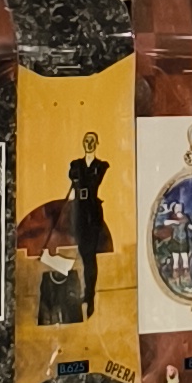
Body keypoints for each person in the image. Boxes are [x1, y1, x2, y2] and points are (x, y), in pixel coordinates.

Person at [66, 131, 110, 317]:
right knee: (85, 257)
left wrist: (80, 180)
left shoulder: (101, 165)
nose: (89, 143)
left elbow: (93, 183)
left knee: (90, 258)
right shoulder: (75, 164)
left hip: (92, 215)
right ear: (83, 143)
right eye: (86, 140)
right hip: (79, 215)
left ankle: (89, 297)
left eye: (92, 140)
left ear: (97, 143)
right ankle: (87, 294)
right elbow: (74, 178)